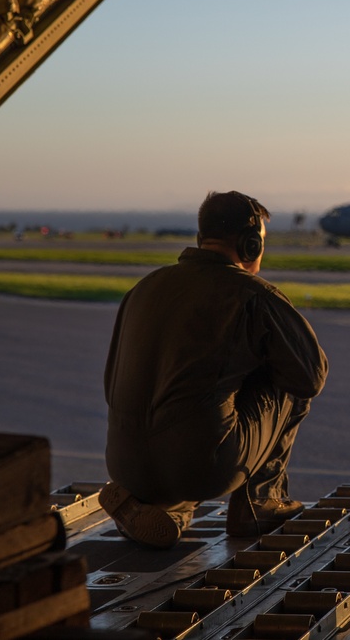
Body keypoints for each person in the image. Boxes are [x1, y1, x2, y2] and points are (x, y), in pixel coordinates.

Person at [99, 191, 328, 549]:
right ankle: (259, 502)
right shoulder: (251, 293)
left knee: (190, 407)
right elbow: (311, 376)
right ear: (251, 245)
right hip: (203, 467)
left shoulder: (143, 288)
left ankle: (165, 507)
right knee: (289, 380)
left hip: (123, 463)